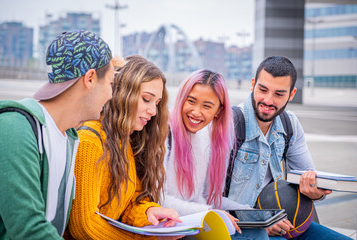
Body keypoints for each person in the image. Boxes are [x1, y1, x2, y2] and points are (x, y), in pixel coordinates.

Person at [0, 30, 115, 239]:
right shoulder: (14, 127)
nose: (111, 94)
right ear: (89, 78)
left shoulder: (70, 138)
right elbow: (28, 230)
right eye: (111, 84)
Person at [226, 56, 352, 239]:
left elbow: (310, 178)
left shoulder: (290, 124)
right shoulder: (229, 124)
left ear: (291, 94)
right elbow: (206, 199)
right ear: (252, 84)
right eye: (263, 90)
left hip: (285, 223)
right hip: (238, 227)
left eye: (279, 94)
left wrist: (315, 193)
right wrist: (260, 222)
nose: (268, 100)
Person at [67, 55, 181, 240]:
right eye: (146, 99)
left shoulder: (125, 141)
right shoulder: (90, 141)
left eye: (157, 103)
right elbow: (83, 226)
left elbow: (130, 202)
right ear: (121, 93)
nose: (153, 111)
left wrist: (150, 212)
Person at [162, 69, 268, 239]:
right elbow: (158, 199)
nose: (196, 112)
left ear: (218, 111)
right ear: (181, 99)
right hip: (170, 227)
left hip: (194, 220)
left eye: (207, 106)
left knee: (258, 231)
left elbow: (205, 197)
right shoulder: (163, 134)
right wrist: (210, 213)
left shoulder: (208, 138)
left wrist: (253, 214)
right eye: (191, 101)